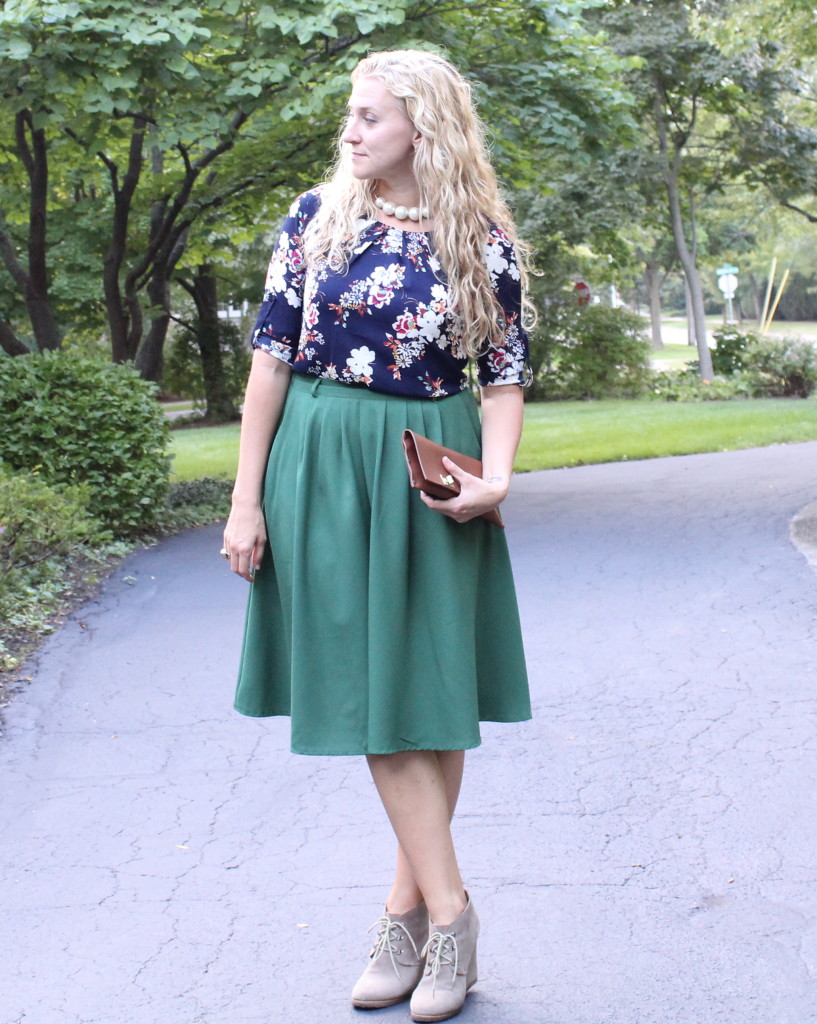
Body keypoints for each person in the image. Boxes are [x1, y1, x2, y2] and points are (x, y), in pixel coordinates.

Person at [221, 49, 532, 1023]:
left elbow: (503, 371)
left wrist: (497, 477)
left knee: (429, 688)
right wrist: (244, 499)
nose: (349, 133)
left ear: (420, 127)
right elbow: (268, 364)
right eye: (348, 117)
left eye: (368, 117)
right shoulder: (316, 220)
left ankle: (403, 913)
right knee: (370, 689)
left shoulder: (477, 236)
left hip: (427, 456)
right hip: (319, 462)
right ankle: (449, 914)